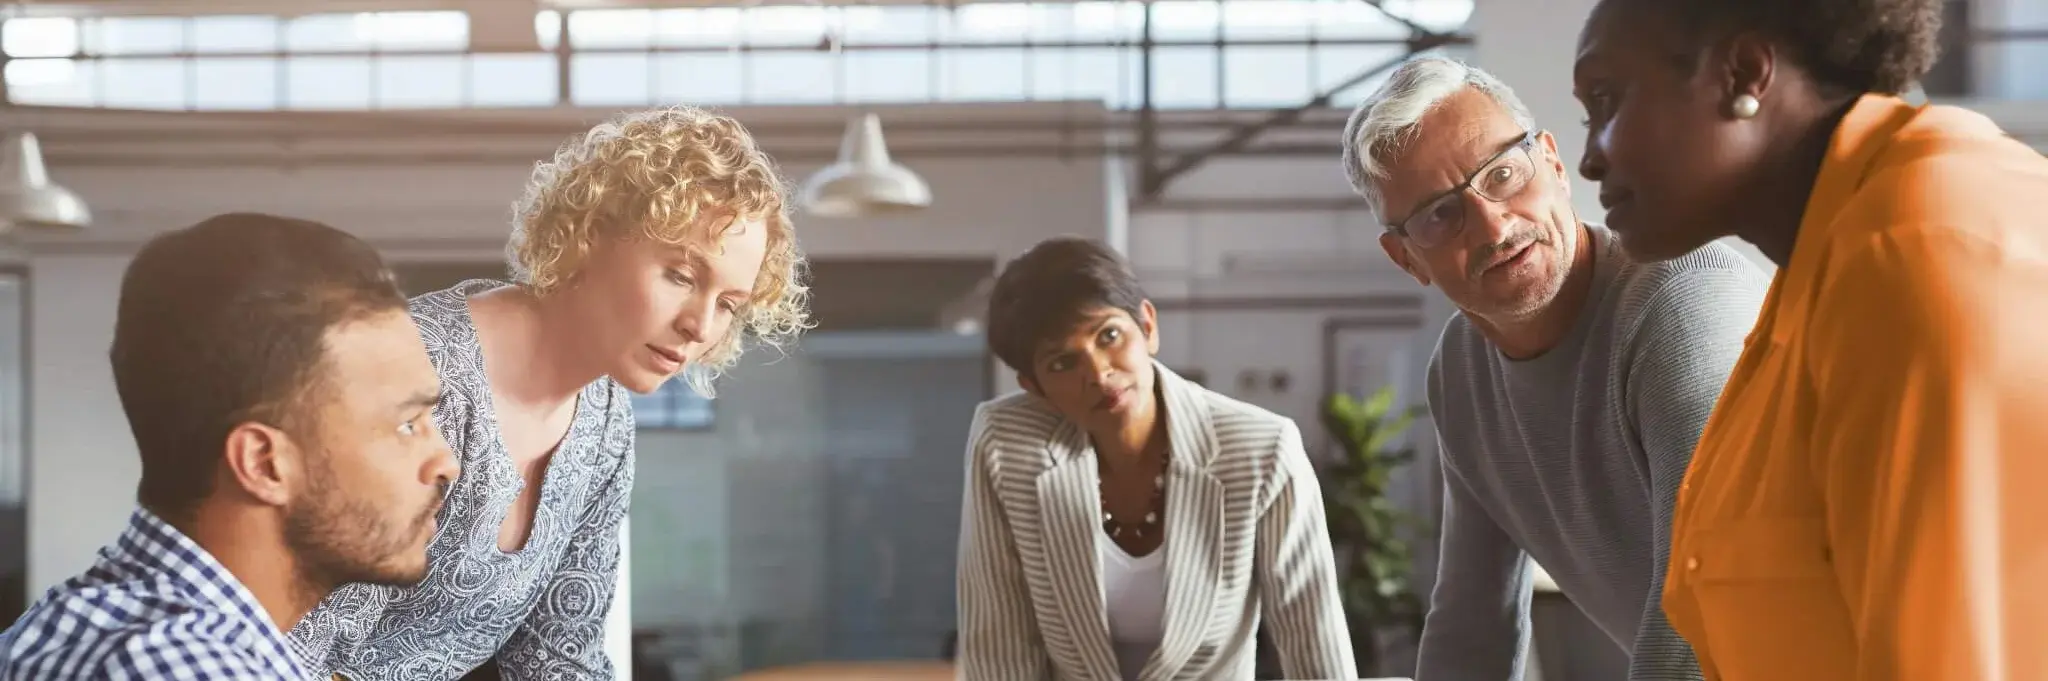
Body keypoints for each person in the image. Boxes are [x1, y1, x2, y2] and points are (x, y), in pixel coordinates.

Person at [1573, 0, 2048, 678]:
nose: (1591, 157)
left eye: (1607, 99)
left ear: (1744, 74)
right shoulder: (1816, 276)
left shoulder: (1913, 259)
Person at [288, 106, 812, 679]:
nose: (701, 326)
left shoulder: (606, 421)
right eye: (682, 276)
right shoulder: (416, 371)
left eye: (728, 304)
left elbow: (560, 656)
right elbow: (299, 647)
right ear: (590, 235)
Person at [1340, 54, 1769, 681]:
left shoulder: (1683, 306)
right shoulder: (1461, 370)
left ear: (1554, 162)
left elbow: (1704, 608)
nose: (1493, 222)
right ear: (1407, 260)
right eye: (1440, 215)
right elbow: (1473, 621)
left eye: (1505, 174)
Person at [0, 213, 457, 679]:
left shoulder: (99, 622)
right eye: (408, 424)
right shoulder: (180, 665)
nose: (447, 463)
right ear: (263, 464)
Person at [955, 236, 1355, 681]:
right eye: (1063, 363)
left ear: (1147, 326)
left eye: (1109, 335)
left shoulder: (1261, 449)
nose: (1098, 372)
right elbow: (998, 647)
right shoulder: (1008, 444)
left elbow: (1313, 640)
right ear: (1035, 387)